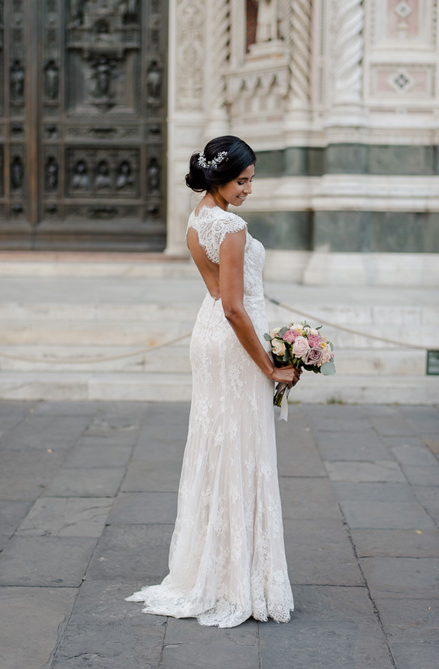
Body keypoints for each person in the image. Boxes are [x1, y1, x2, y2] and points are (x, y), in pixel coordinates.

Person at [126, 136, 299, 627]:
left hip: (210, 338)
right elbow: (233, 304)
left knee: (217, 445)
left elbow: (215, 293)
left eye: (250, 180)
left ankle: (215, 568)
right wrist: (270, 364)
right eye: (242, 181)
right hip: (233, 341)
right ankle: (235, 578)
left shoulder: (197, 219)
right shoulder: (231, 226)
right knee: (240, 447)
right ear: (219, 179)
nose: (249, 189)